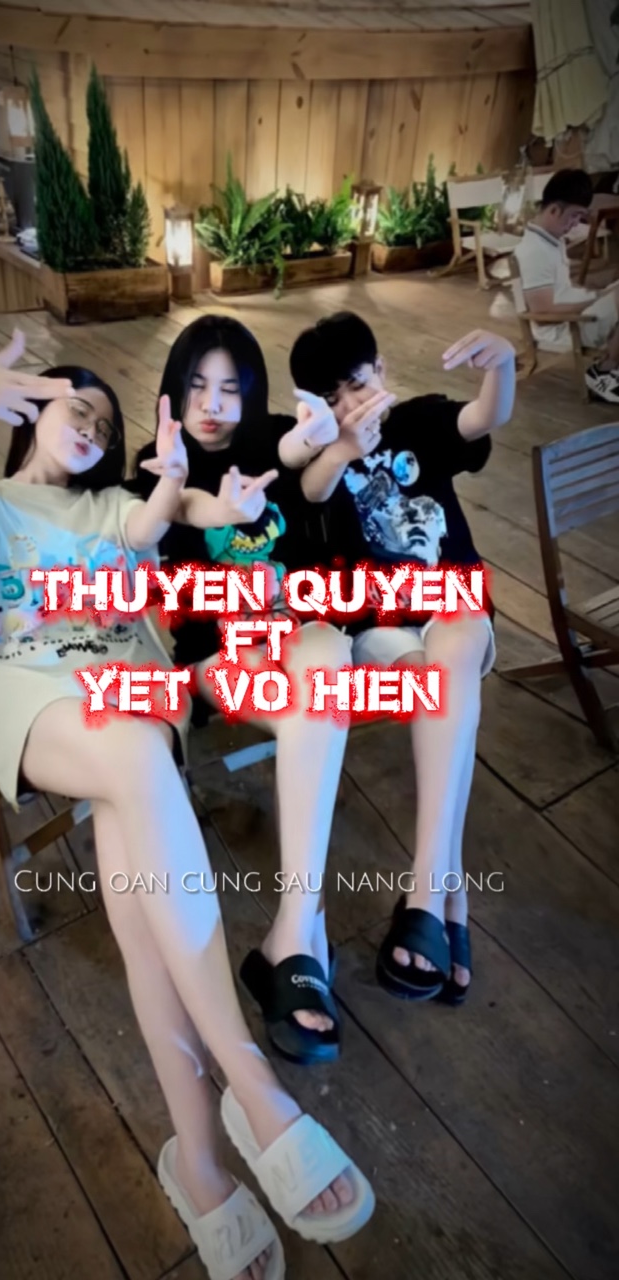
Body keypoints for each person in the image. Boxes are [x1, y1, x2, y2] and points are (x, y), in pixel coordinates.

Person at [0, 331, 376, 1280]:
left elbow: (168, 512)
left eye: (104, 416)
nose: (90, 425)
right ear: (27, 413)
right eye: (72, 407)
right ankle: (250, 1078)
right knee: (135, 758)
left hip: (134, 702)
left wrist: (208, 496)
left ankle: (198, 1160)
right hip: (38, 699)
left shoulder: (113, 507)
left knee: (140, 903)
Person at [128, 314, 355, 1067]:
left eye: (230, 389)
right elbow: (175, 526)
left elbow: (292, 454)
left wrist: (314, 438)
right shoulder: (157, 469)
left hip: (294, 634)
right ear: (174, 389)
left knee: (328, 654)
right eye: (197, 386)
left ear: (252, 394)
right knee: (317, 706)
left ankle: (293, 932)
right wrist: (210, 507)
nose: (212, 404)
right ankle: (301, 937)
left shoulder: (273, 444)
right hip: (215, 659)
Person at [289, 312, 517, 1006]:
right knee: (447, 703)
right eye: (333, 399)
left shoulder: (419, 421)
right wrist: (338, 444)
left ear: (382, 370)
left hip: (452, 608)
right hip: (380, 629)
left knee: (455, 642)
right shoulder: (323, 453)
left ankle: (425, 894)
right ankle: (448, 898)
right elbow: (312, 489)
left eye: (360, 384)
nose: (353, 405)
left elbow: (484, 416)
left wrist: (502, 365)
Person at [513, 168, 619, 404]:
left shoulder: (550, 240)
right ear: (554, 210)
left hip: (575, 315)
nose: (575, 224)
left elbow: (562, 292)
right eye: (574, 216)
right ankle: (603, 371)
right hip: (564, 328)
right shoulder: (534, 251)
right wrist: (593, 300)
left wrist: (599, 293)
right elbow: (542, 314)